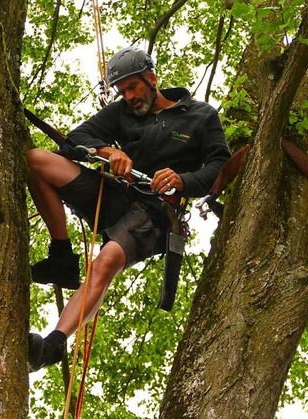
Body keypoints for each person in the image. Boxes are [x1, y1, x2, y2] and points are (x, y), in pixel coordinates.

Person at [26, 46, 231, 371]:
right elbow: (76, 138)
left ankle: (53, 346)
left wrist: (181, 179)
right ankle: (62, 256)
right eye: (122, 91)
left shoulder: (200, 116)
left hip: (155, 212)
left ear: (152, 79)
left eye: (133, 87)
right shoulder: (122, 112)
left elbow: (218, 166)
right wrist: (108, 151)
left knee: (105, 262)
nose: (129, 96)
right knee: (36, 160)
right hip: (115, 193)